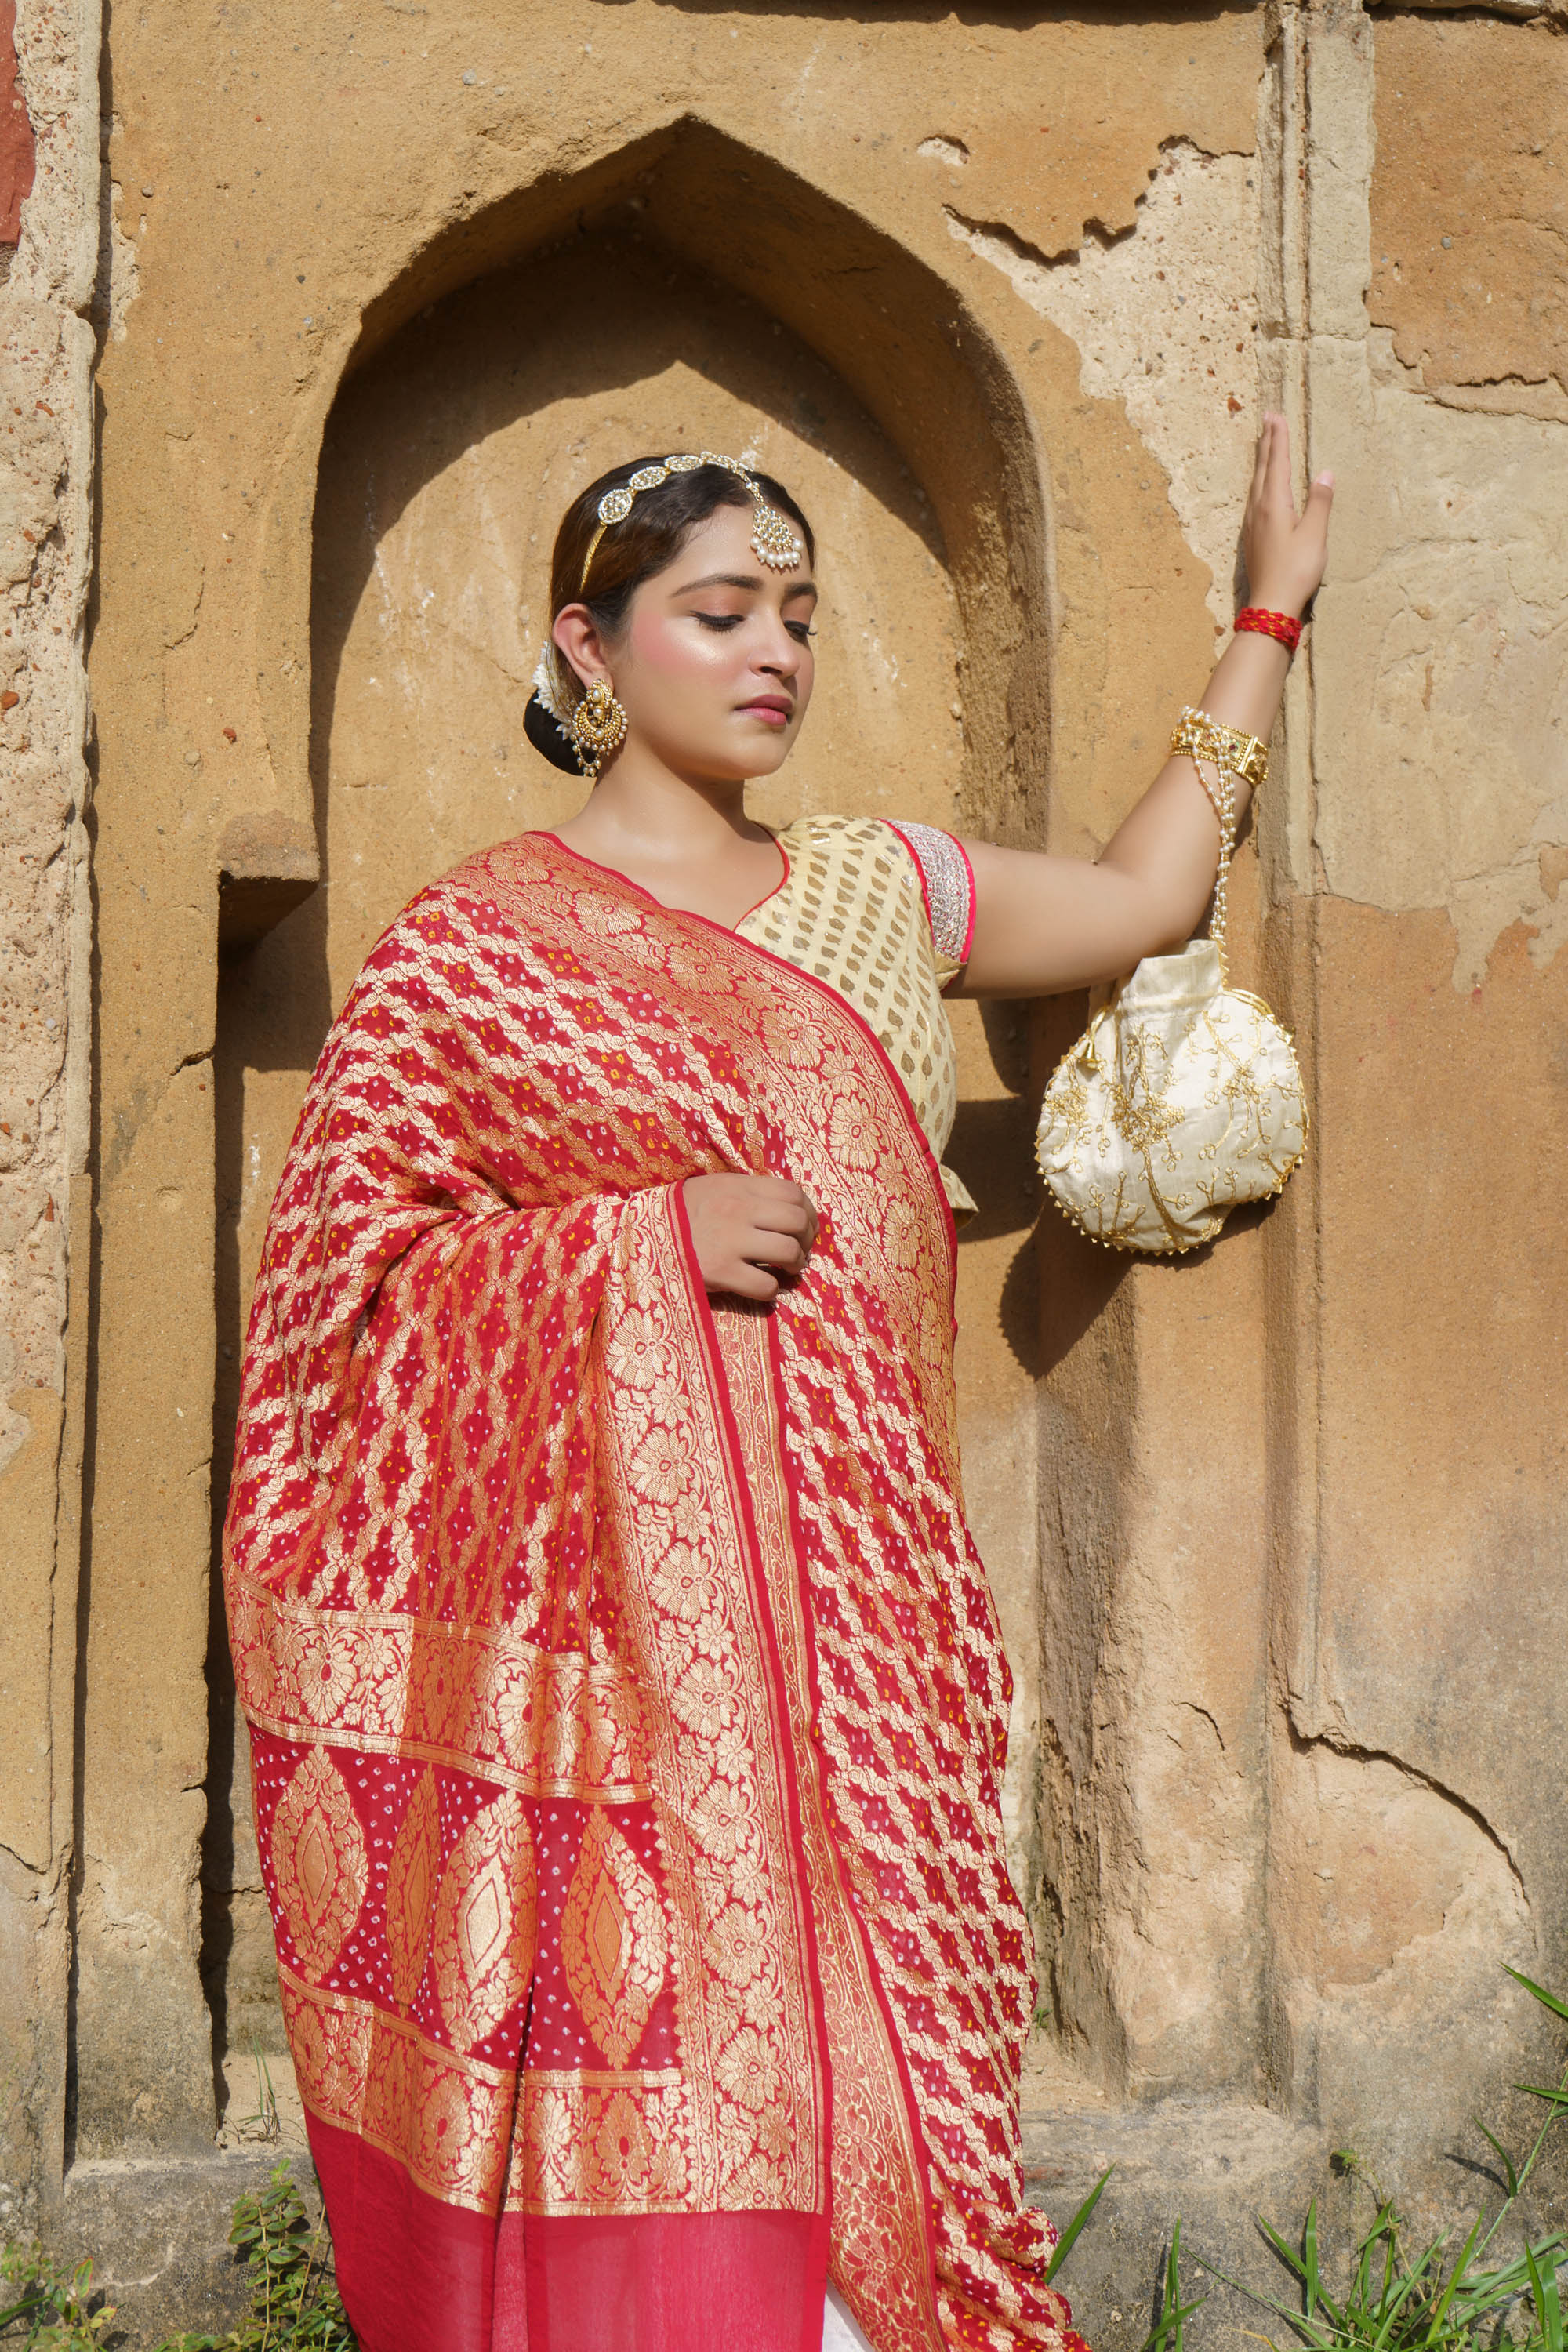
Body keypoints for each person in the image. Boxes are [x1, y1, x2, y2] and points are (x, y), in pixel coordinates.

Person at [223, 428, 1331, 2352]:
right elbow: (341, 1303)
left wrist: (1267, 618)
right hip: (607, 1667)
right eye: (721, 612)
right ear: (589, 648)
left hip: (868, 1625)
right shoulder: (468, 957)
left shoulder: (876, 886)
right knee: (654, 2049)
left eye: (797, 618)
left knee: (891, 2075)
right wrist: (629, 1249)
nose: (774, 655)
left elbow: (1144, 898)